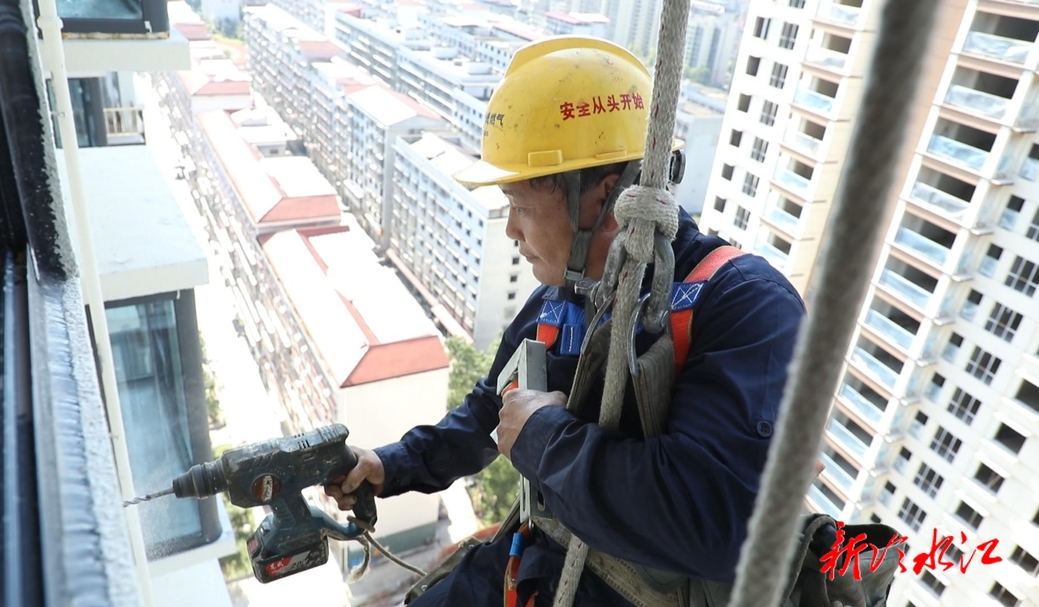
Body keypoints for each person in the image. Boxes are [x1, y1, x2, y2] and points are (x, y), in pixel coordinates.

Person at [325, 36, 807, 606]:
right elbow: (491, 411)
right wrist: (391, 465)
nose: (512, 230)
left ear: (607, 197)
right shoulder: (560, 301)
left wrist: (546, 440)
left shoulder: (743, 305)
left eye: (521, 205)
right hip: (539, 569)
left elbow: (718, 520)